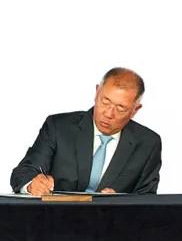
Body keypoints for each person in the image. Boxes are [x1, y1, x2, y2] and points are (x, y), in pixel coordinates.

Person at [10, 67, 161, 196]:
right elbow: (24, 172)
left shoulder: (148, 143)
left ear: (135, 110)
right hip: (55, 221)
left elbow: (147, 200)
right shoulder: (58, 127)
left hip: (112, 226)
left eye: (121, 108)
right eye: (105, 101)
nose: (109, 114)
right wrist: (31, 185)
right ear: (96, 92)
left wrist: (122, 204)